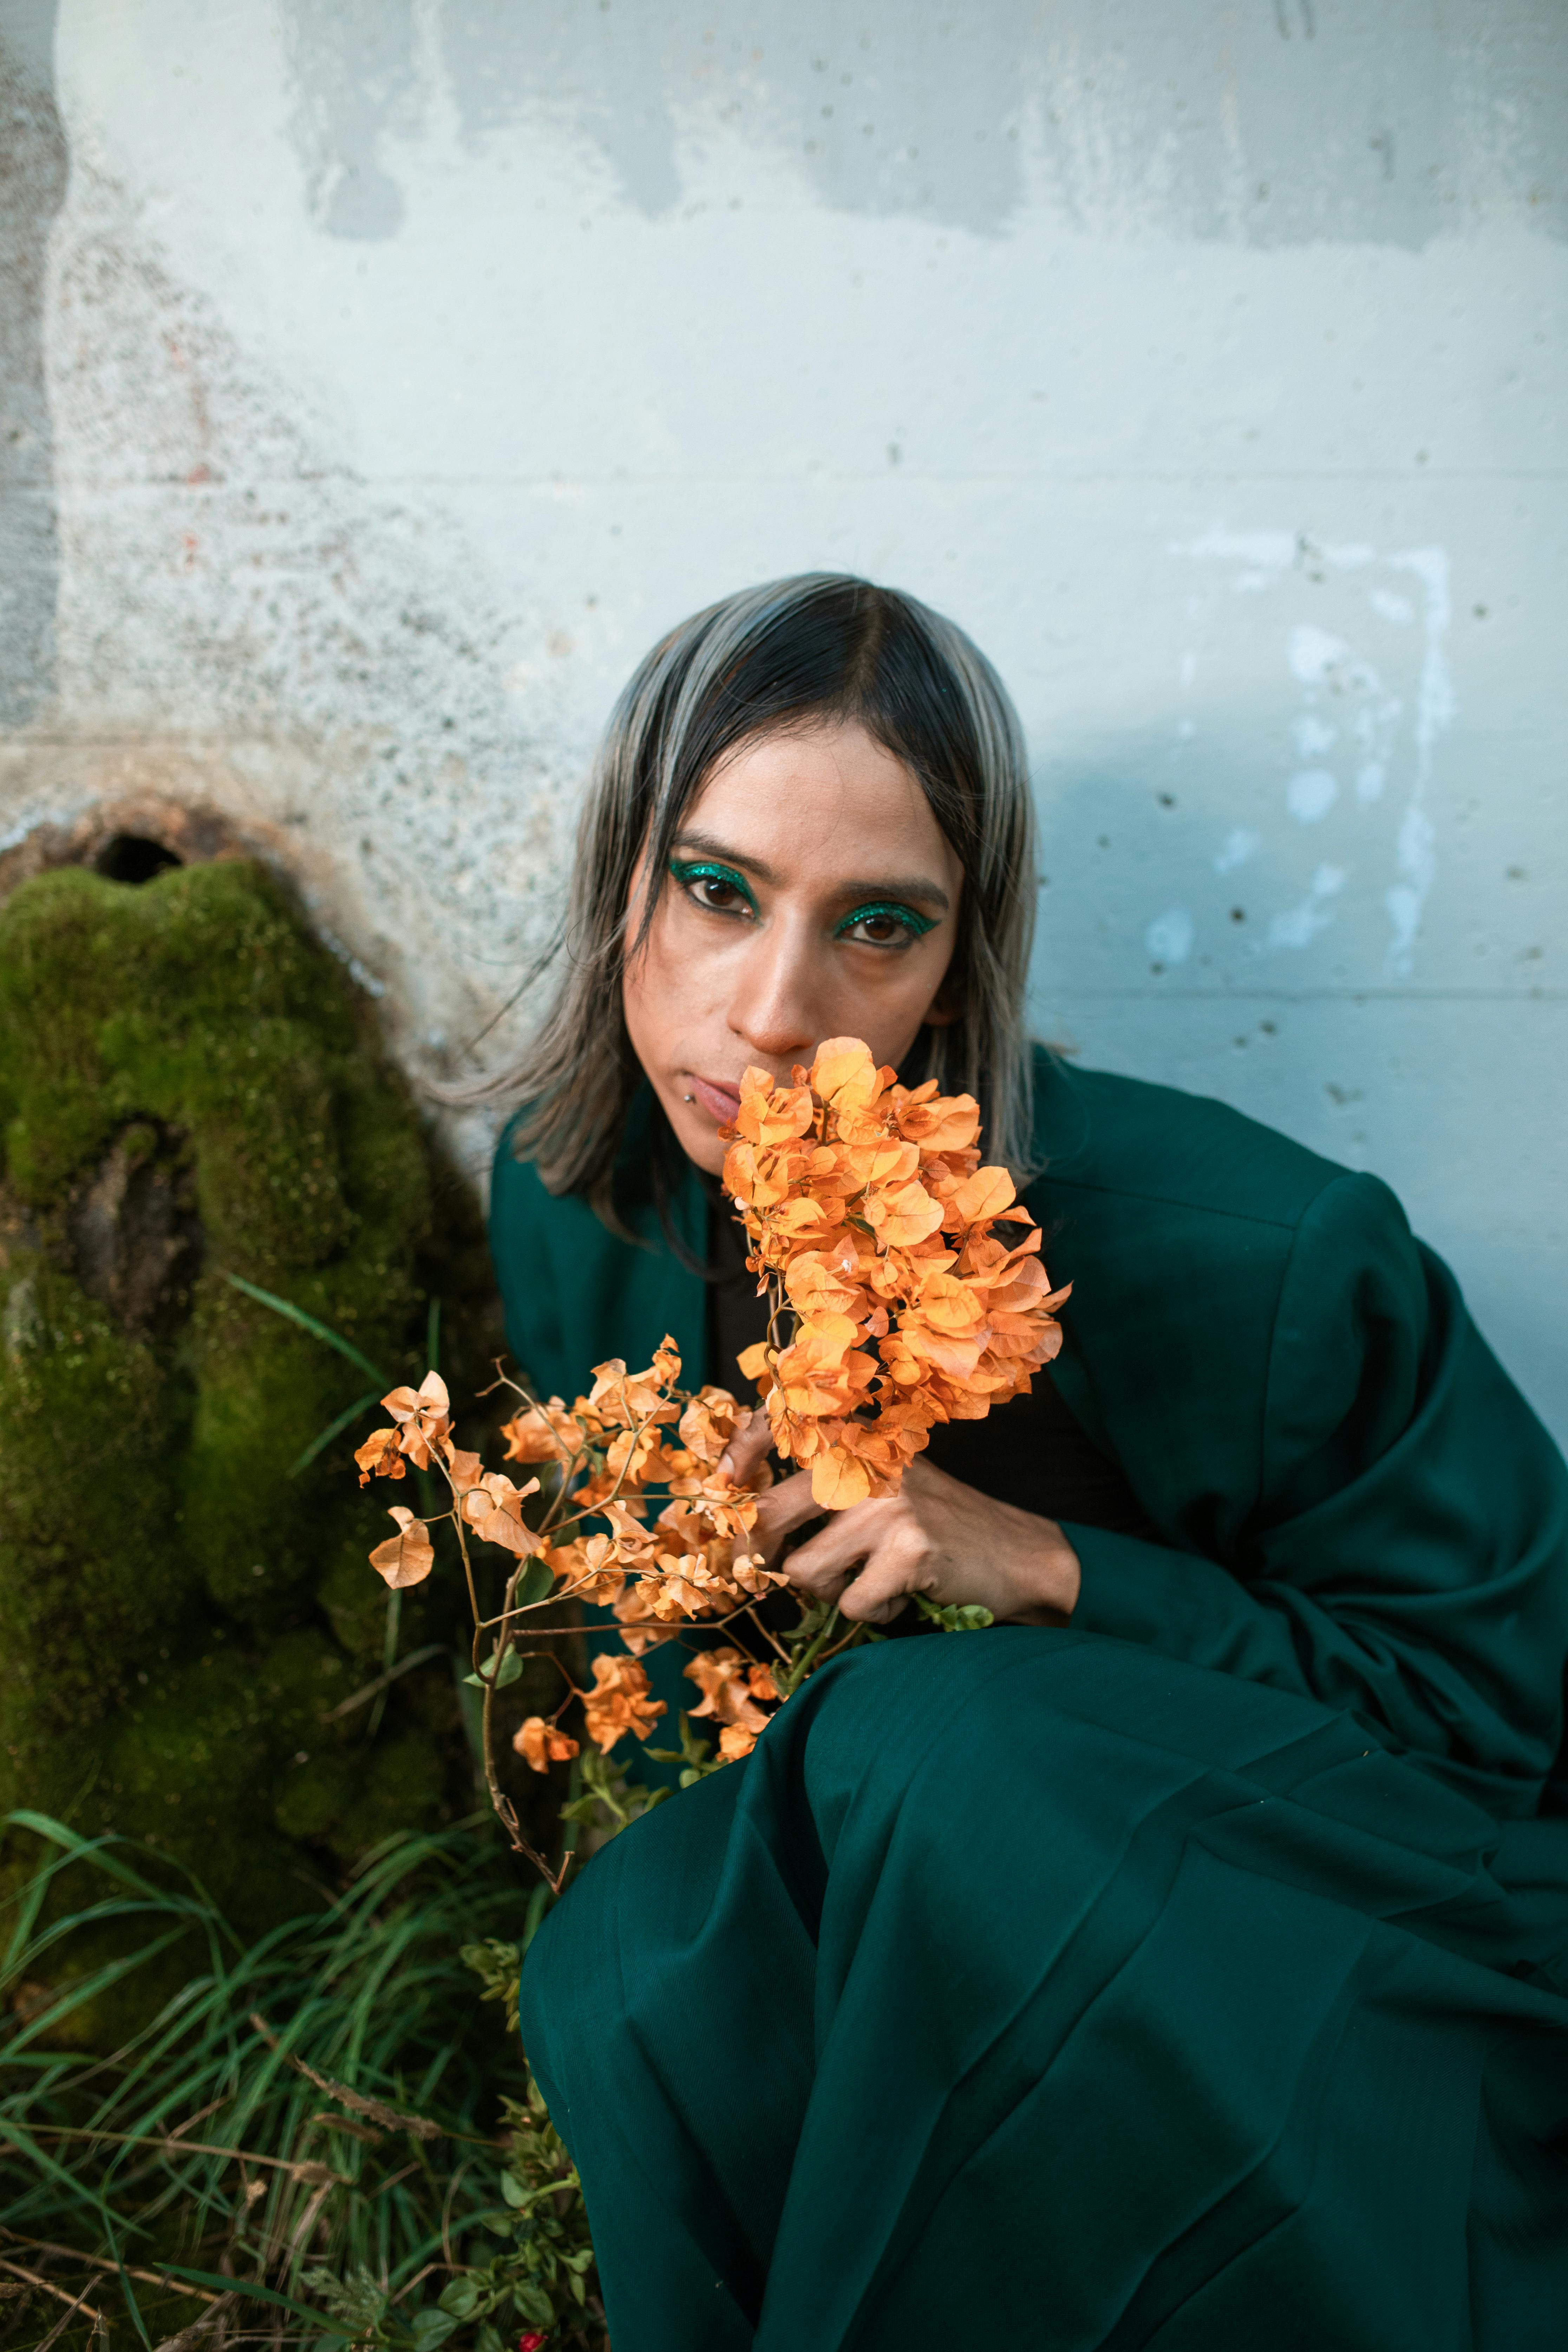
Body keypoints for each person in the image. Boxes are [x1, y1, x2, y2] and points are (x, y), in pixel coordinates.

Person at [487, 574, 1568, 2352]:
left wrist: (1053, 1569)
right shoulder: (573, 1201)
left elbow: (1486, 1729)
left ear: (964, 954)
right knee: (629, 1957)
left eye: (879, 926)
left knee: (938, 1747)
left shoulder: (1263, 1260)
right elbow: (678, 1701)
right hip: (904, 1920)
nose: (773, 1013)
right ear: (621, 869)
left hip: (1357, 1947)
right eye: (715, 890)